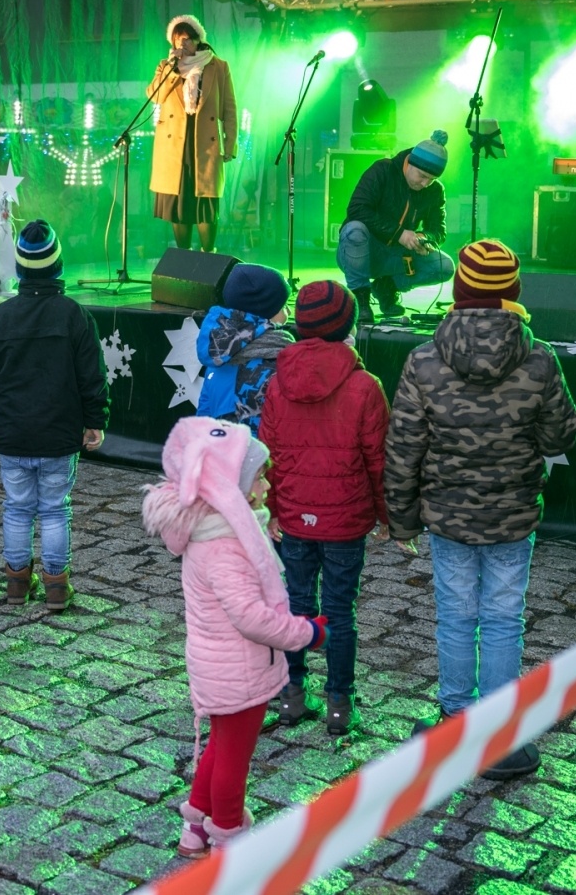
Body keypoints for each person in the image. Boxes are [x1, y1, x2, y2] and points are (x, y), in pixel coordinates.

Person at [384, 240, 576, 780]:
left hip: (448, 517)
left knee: (456, 614)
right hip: (513, 516)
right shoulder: (539, 358)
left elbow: (403, 447)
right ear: (513, 293)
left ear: (459, 291)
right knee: (502, 619)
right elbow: (562, 432)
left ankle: (454, 719)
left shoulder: (424, 359)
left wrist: (400, 517)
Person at [141, 417, 327, 859]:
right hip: (238, 668)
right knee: (233, 757)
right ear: (233, 487)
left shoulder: (221, 528)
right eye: (260, 475)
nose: (267, 483)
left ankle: (195, 830)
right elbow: (250, 617)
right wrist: (307, 633)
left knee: (220, 746)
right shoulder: (227, 544)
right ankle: (228, 837)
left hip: (223, 664)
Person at [260, 281, 389, 735]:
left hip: (295, 516)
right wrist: (388, 516)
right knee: (339, 609)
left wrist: (272, 508)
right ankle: (340, 704)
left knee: (296, 604)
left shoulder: (277, 382)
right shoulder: (364, 386)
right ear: (349, 326)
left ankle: (292, 695)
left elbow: (267, 453)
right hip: (345, 520)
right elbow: (378, 460)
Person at [0, 220, 109, 610]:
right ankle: (56, 586)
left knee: (17, 508)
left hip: (13, 433)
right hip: (59, 433)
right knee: (54, 509)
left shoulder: (0, 317)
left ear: (18, 268)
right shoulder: (75, 315)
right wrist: (95, 421)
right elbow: (92, 376)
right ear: (57, 266)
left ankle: (17, 584)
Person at [338, 130, 455, 322]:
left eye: (432, 179)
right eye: (422, 176)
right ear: (410, 163)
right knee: (354, 230)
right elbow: (357, 209)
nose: (426, 183)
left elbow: (439, 230)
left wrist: (424, 238)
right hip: (363, 250)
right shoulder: (382, 170)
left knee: (445, 267)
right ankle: (360, 299)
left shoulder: (435, 190)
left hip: (398, 255)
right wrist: (399, 233)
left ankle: (387, 286)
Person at [149, 14, 238, 253]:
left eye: (187, 39)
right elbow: (154, 95)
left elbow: (229, 108)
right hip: (174, 146)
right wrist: (171, 68)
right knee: (180, 204)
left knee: (206, 204)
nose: (183, 45)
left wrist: (230, 145)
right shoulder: (166, 67)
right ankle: (184, 258)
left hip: (205, 143)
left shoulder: (218, 66)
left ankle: (208, 255)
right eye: (178, 40)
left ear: (199, 40)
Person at [196, 263, 292, 437]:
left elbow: (203, 417)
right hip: (260, 458)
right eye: (284, 306)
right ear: (265, 312)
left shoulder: (218, 356)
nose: (289, 311)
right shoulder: (277, 363)